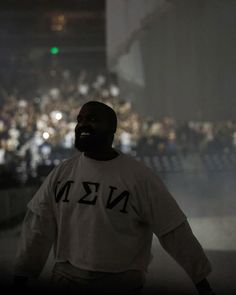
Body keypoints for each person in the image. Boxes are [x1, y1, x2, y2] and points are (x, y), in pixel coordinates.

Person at [13, 100, 215, 294]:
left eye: (92, 119)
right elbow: (37, 227)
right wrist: (22, 276)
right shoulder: (62, 172)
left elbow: (173, 230)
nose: (82, 125)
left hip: (120, 284)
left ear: (112, 129)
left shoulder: (139, 177)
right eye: (80, 119)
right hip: (66, 280)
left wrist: (202, 283)